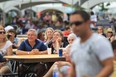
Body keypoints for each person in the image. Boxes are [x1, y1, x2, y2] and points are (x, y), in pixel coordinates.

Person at [69, 10, 114, 77]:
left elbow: (109, 67)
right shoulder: (75, 44)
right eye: (71, 24)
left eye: (77, 23)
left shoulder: (100, 41)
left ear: (88, 23)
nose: (74, 26)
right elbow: (74, 67)